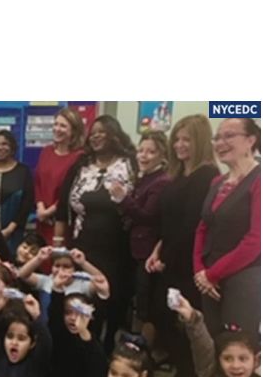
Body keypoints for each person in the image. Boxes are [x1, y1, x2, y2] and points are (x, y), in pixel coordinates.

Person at [146, 114, 219, 377]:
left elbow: (191, 226)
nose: (179, 145)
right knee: (162, 317)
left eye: (186, 139)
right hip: (169, 258)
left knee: (185, 324)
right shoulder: (179, 176)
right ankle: (180, 375)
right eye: (176, 139)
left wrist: (167, 257)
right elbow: (169, 223)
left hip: (188, 264)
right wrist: (157, 251)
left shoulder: (206, 176)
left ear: (199, 141)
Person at [55, 114, 138, 350]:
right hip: (83, 247)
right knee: (82, 302)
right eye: (93, 133)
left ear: (114, 135)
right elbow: (63, 207)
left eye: (102, 132)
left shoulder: (130, 165)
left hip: (118, 251)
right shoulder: (81, 165)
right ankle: (80, 349)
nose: (96, 137)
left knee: (112, 303)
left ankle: (108, 351)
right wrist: (58, 246)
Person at [193, 118, 261, 340]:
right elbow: (203, 226)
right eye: (217, 138)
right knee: (210, 342)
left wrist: (212, 274)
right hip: (209, 280)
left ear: (251, 140)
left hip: (243, 278)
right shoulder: (217, 182)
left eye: (229, 136)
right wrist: (199, 271)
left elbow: (256, 239)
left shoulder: (260, 180)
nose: (220, 143)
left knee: (236, 347)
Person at [118, 132, 172, 347]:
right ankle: (135, 338)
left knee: (146, 299)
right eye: (141, 150)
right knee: (136, 296)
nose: (143, 155)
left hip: (148, 250)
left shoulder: (161, 181)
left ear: (162, 155)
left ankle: (144, 346)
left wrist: (123, 199)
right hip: (133, 247)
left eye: (151, 152)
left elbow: (148, 216)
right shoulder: (142, 178)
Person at [33, 107, 87, 245]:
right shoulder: (46, 151)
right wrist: (41, 209)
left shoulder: (79, 157)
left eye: (63, 126)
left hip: (61, 222)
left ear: (74, 131)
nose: (57, 129)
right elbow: (38, 182)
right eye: (56, 124)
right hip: (41, 220)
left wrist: (48, 212)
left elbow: (70, 191)